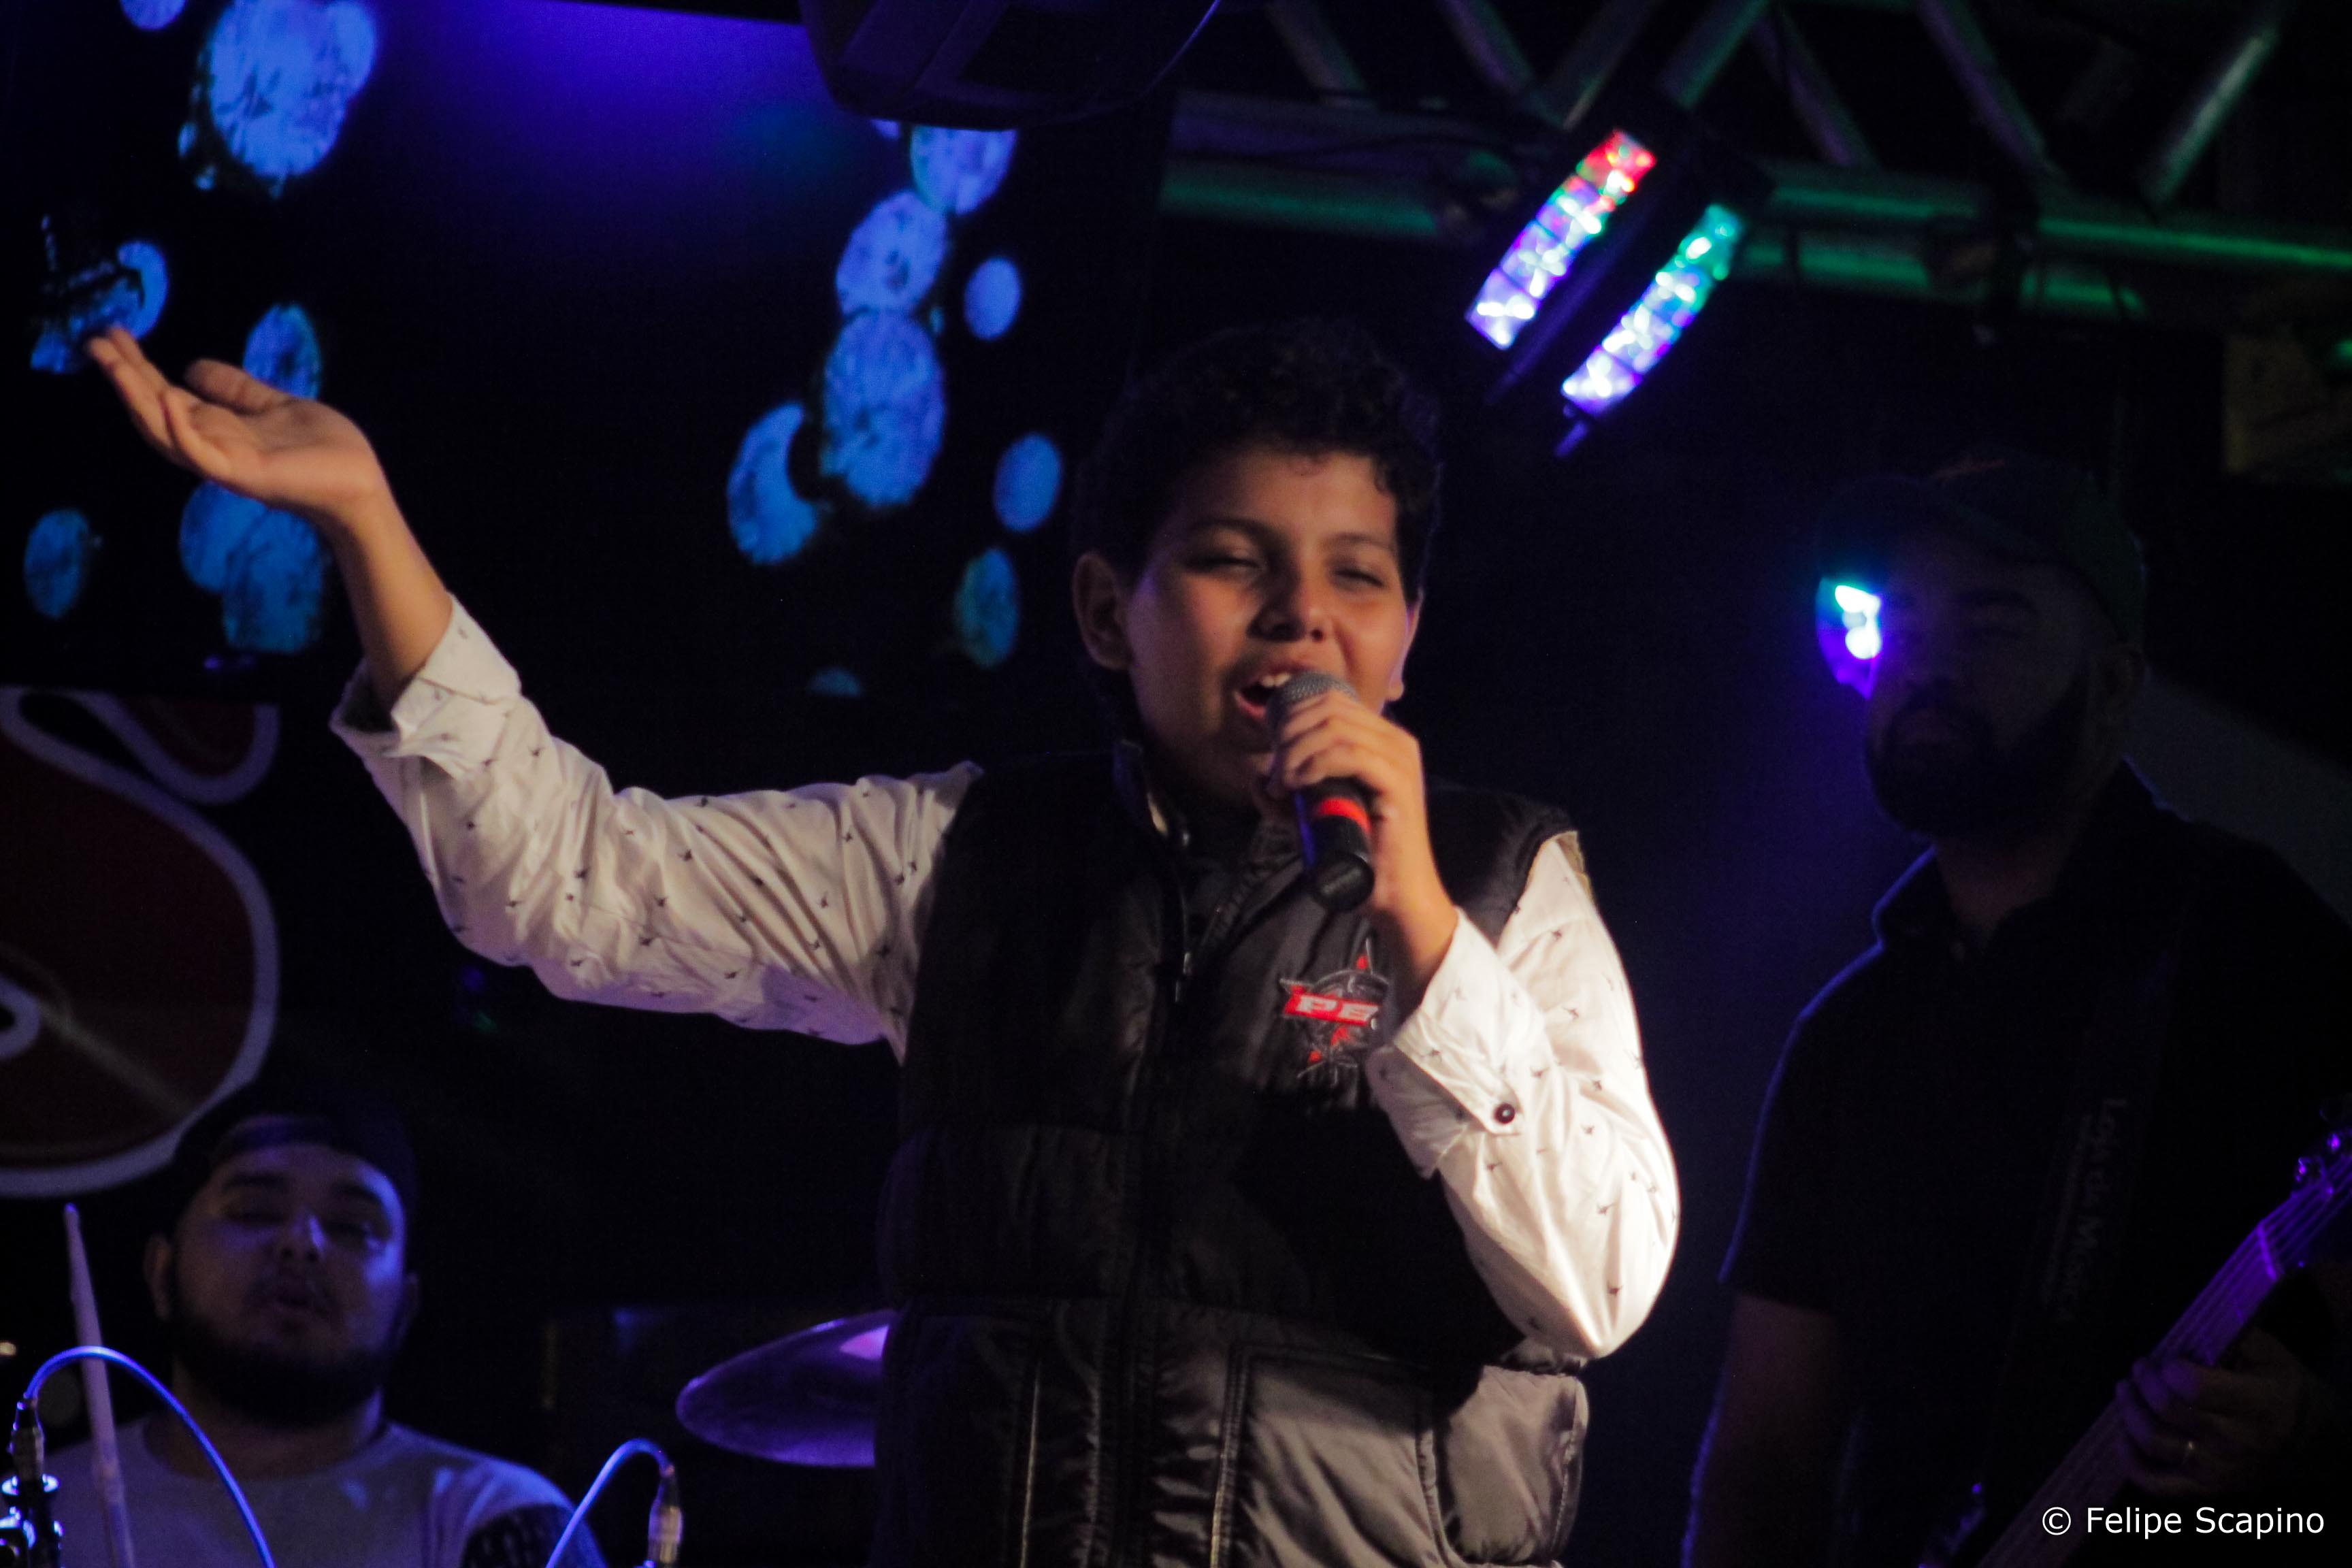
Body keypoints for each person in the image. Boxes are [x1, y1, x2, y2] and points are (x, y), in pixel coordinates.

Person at [86, 317, 1676, 1566]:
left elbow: (1597, 1287)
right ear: (1104, 609)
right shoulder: (961, 855)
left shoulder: (1499, 882)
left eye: (1355, 578)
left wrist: (1417, 930)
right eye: (1230, 560)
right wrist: (365, 522)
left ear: (1405, 634)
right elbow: (568, 883)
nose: (1298, 619)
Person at [1683, 448, 2352, 1568]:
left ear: (2114, 683)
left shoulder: (2250, 939)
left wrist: (2309, 1439)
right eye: (1900, 623)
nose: (1929, 664)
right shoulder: (1849, 1036)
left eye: (1991, 622)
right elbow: (1763, 1463)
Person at [45, 1079, 599, 1568]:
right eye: (254, 1211)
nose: (301, 1243)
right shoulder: (38, 1510)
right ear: (162, 1274)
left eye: (352, 1227)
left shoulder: (499, 1521)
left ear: (406, 1307)